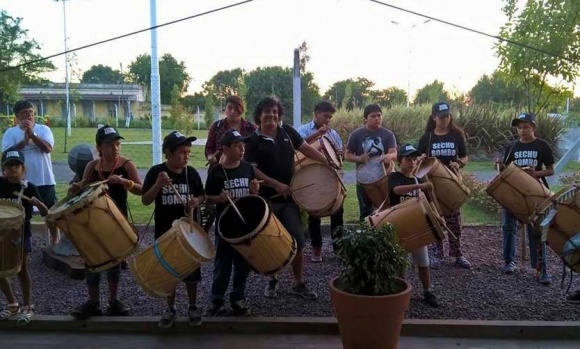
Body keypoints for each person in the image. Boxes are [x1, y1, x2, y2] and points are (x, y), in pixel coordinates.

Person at [244, 96, 330, 300]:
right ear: (259, 116)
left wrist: (326, 161)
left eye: (275, 112)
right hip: (267, 200)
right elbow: (252, 170)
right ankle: (272, 280)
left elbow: (306, 148)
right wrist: (276, 184)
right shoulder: (252, 141)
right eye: (267, 112)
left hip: (290, 199)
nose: (272, 115)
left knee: (297, 240)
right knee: (272, 242)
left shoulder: (287, 132)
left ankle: (298, 283)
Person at [69, 125, 143, 320]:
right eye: (110, 144)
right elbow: (85, 190)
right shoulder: (92, 166)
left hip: (116, 221)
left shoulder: (127, 165)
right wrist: (76, 188)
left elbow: (142, 190)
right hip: (91, 222)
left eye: (117, 144)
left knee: (114, 261)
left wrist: (126, 183)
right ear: (99, 147)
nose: (115, 148)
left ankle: (113, 300)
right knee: (91, 260)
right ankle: (93, 302)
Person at [142, 130, 206, 328]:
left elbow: (202, 196)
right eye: (181, 153)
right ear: (168, 154)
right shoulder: (156, 172)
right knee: (169, 271)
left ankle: (192, 305)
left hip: (188, 232)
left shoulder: (192, 173)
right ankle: (170, 307)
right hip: (165, 232)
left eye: (188, 152)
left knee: (191, 271)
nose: (186, 156)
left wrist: (197, 200)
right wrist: (159, 184)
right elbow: (145, 200)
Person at [204, 130, 260, 317]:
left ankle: (237, 298)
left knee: (243, 264)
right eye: (237, 145)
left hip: (244, 226)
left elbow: (253, 198)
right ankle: (216, 300)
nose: (242, 149)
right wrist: (218, 198)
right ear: (225, 149)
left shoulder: (247, 168)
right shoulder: (216, 172)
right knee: (223, 264)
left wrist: (254, 191)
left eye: (243, 145)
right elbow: (207, 198)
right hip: (224, 225)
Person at [496, 113, 554, 284]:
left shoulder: (542, 145)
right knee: (508, 225)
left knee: (536, 230)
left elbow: (551, 170)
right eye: (519, 127)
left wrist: (535, 173)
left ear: (533, 127)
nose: (522, 130)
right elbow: (505, 171)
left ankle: (541, 269)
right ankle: (509, 262)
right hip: (513, 193)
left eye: (526, 127)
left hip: (535, 192)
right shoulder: (512, 146)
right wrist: (500, 167)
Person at [417, 102, 471, 269]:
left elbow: (464, 157)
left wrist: (459, 164)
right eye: (441, 117)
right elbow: (419, 157)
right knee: (434, 217)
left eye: (447, 116)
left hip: (451, 181)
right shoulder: (427, 137)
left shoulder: (457, 134)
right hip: (432, 184)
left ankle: (457, 254)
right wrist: (420, 158)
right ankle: (436, 253)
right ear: (434, 118)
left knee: (454, 217)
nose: (445, 119)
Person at [0, 149, 48, 325]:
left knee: (21, 269)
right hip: (1, 233)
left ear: (23, 168)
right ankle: (13, 304)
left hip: (22, 234)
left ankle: (28, 306)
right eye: (8, 166)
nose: (12, 169)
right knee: (0, 270)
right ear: (3, 169)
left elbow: (45, 213)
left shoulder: (29, 188)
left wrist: (39, 203)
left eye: (16, 165)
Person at [2, 100, 59, 245]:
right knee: (18, 213)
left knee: (51, 213)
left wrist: (32, 135)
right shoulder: (10, 132)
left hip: (45, 180)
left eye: (31, 112)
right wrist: (23, 143)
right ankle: (18, 241)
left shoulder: (43, 129)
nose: (29, 115)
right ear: (17, 116)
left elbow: (48, 148)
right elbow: (6, 155)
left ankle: (54, 239)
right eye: (24, 113)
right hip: (21, 183)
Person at [387, 144, 438, 307]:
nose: (412, 163)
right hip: (400, 226)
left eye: (414, 159)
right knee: (400, 263)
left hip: (417, 227)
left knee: (423, 262)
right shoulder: (395, 176)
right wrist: (420, 186)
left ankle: (427, 291)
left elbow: (429, 203)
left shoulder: (419, 179)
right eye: (408, 159)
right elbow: (396, 190)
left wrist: (437, 216)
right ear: (400, 160)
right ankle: (400, 293)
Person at [297, 100, 344, 262]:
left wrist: (339, 153)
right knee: (314, 214)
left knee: (337, 213)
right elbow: (298, 148)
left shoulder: (334, 134)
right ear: (316, 114)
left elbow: (340, 157)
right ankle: (316, 249)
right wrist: (317, 135)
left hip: (331, 177)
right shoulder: (302, 130)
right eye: (325, 116)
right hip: (311, 178)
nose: (328, 120)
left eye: (330, 117)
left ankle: (339, 248)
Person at [345, 104, 397, 221]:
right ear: (365, 119)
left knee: (390, 209)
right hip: (364, 180)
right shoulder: (356, 135)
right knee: (365, 213)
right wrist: (360, 158)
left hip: (385, 177)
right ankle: (368, 236)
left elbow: (394, 153)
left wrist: (389, 156)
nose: (377, 118)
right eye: (373, 116)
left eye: (379, 115)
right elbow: (347, 155)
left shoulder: (388, 134)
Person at [205, 95, 257, 166]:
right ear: (225, 109)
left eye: (236, 108)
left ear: (241, 110)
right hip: (220, 169)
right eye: (229, 108)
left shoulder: (251, 128)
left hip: (244, 170)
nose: (232, 111)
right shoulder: (216, 126)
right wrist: (210, 156)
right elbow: (208, 148)